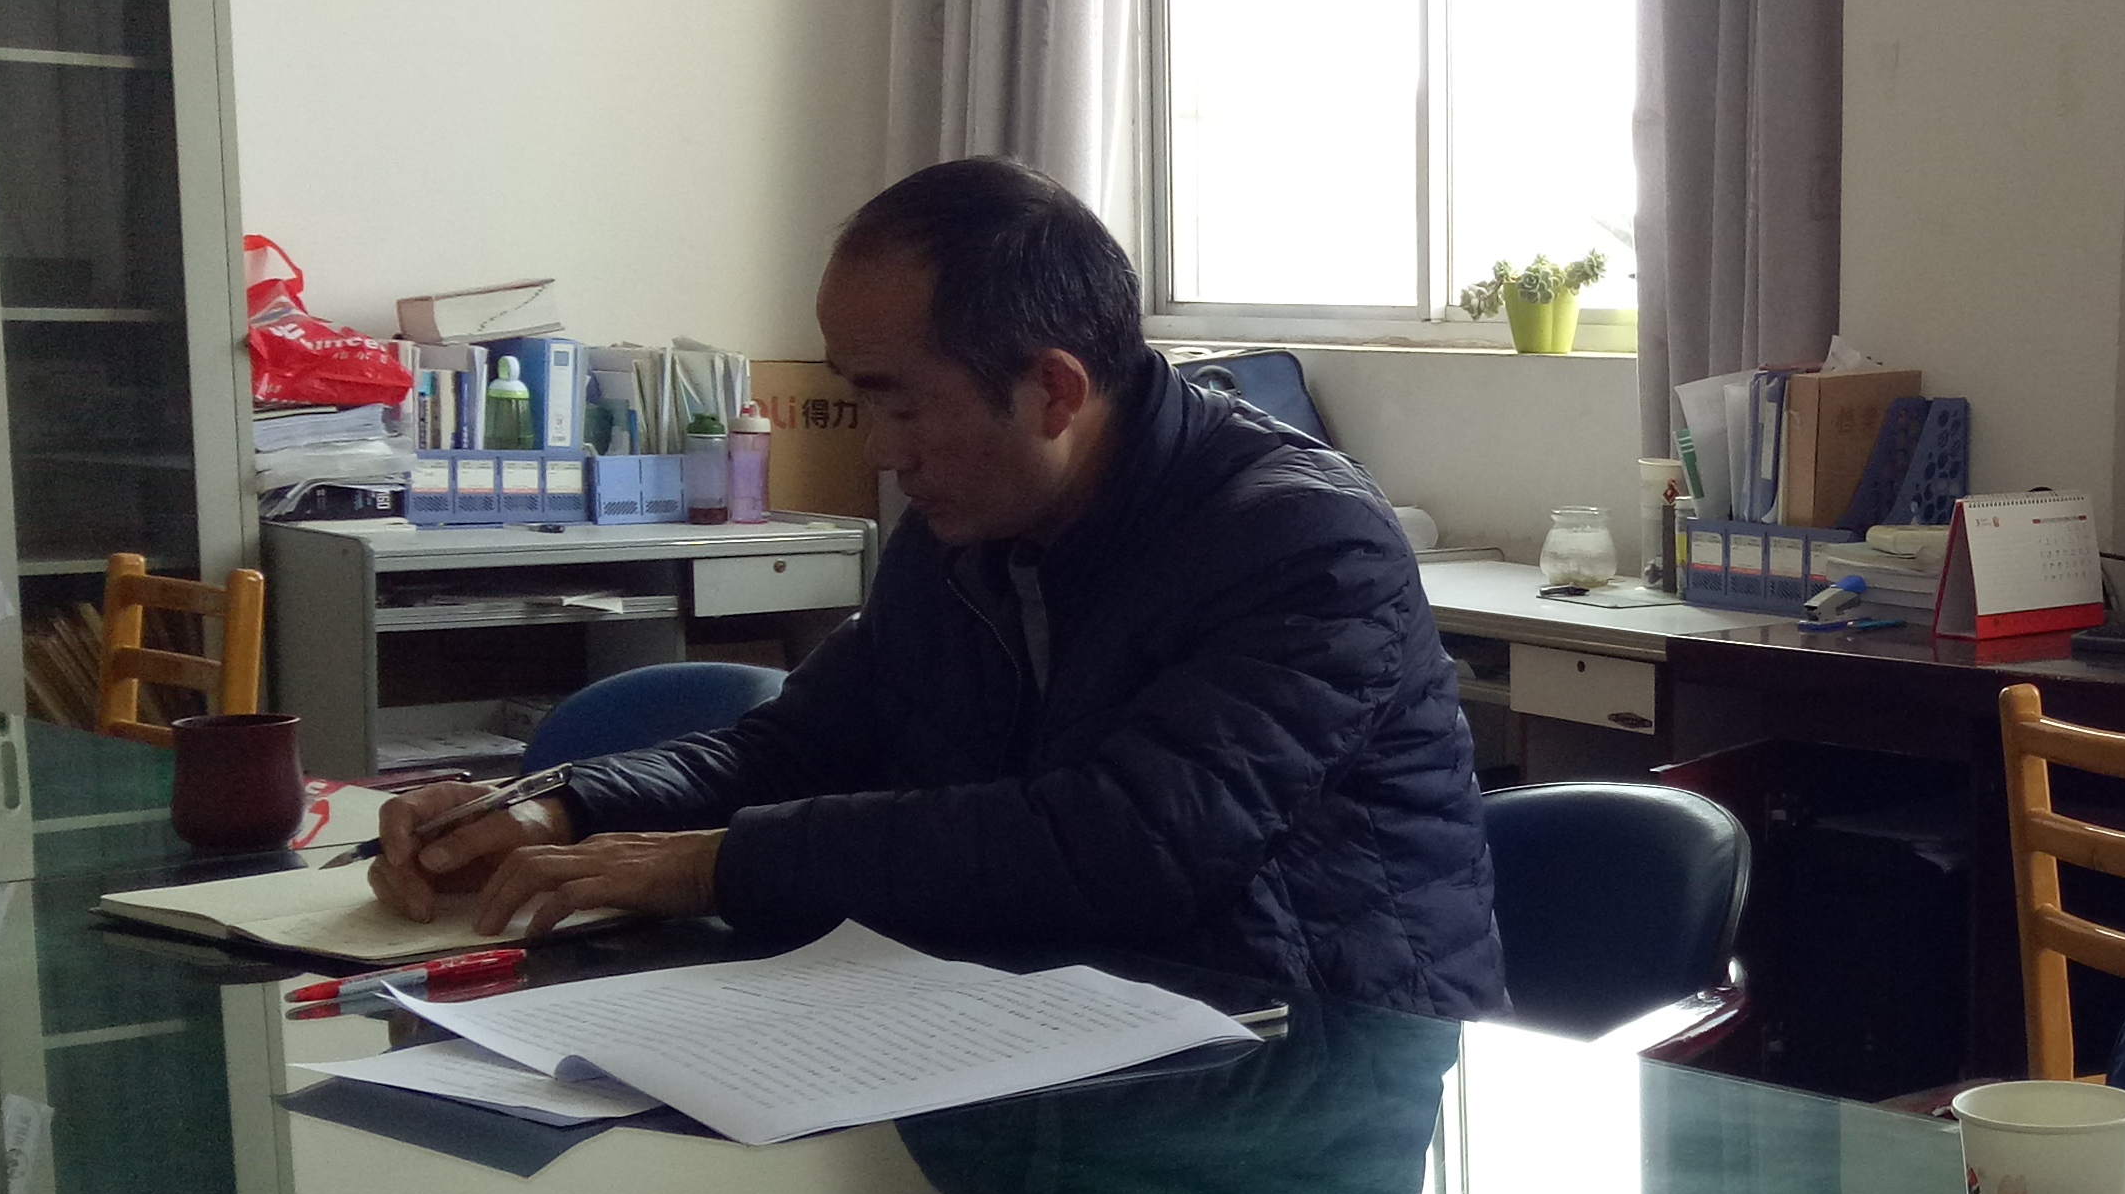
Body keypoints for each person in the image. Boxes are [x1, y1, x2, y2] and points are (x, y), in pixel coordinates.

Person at [370, 158, 1506, 1017]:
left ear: (1054, 391)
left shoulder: (1306, 543)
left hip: (1306, 1064)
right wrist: (560, 808)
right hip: (1037, 1033)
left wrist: (711, 864)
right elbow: (797, 749)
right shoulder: (970, 528)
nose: (878, 451)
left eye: (900, 402)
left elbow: (1129, 847)